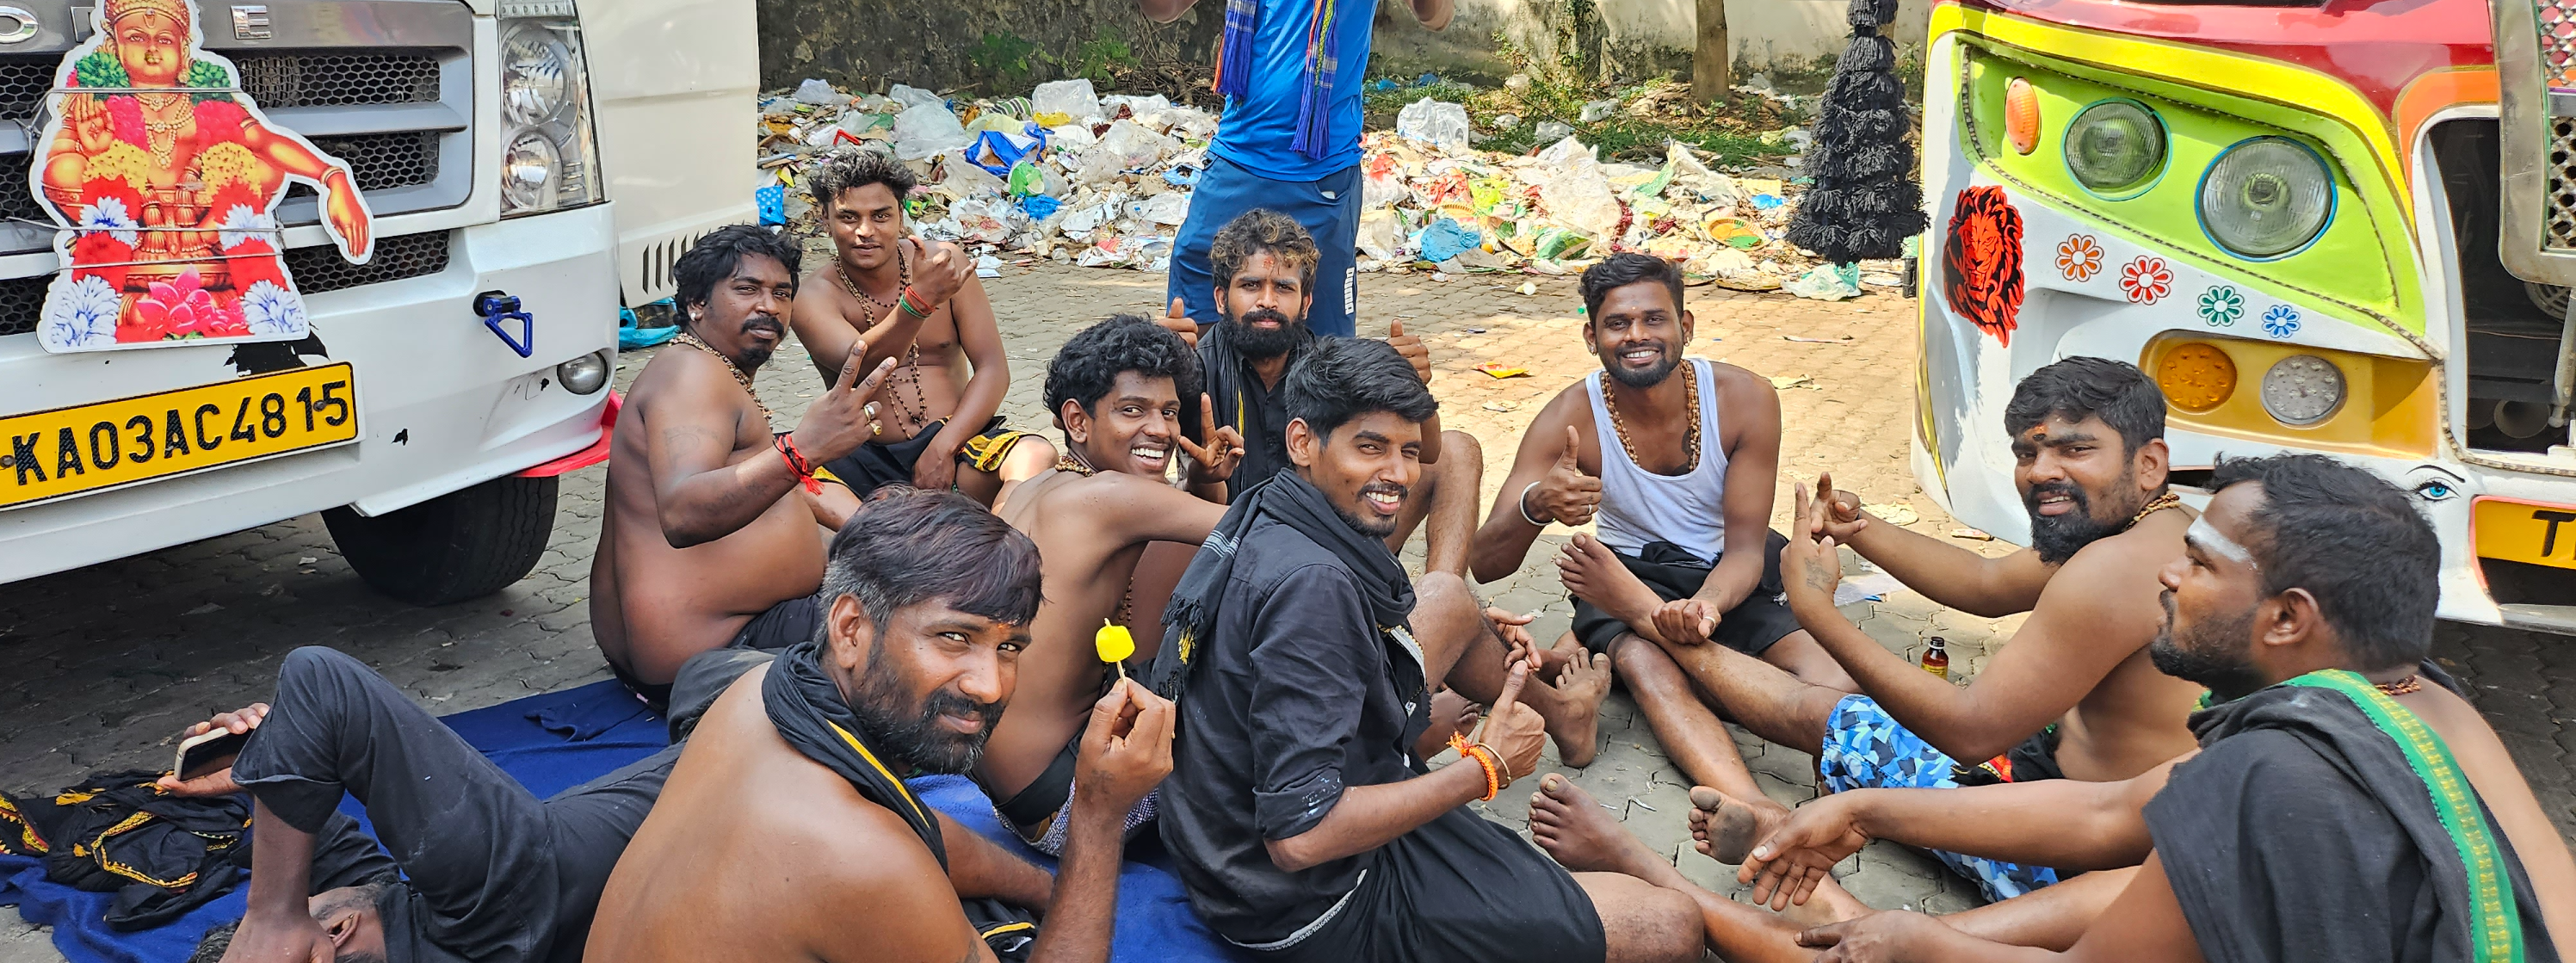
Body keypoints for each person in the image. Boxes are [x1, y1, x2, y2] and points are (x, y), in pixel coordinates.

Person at [1770, 454, 2576, 962]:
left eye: (2198, 565)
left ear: (2286, 618)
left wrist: (1924, 943)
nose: (2167, 575)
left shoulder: (2282, 767)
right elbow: (2109, 812)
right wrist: (1866, 810)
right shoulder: (2422, 701)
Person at [1150, 337, 1696, 963]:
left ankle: (1564, 719)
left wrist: (1457, 635)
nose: (1400, 475)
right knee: (1668, 925)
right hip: (1310, 902)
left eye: (1408, 451)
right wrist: (1484, 766)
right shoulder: (1312, 587)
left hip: (1223, 850)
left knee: (1449, 599)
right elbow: (1300, 837)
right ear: (1302, 441)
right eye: (1369, 447)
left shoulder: (1268, 506)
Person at [1670, 357, 2207, 904]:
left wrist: (1816, 612)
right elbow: (1986, 583)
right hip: (2063, 788)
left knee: (1840, 718)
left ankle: (1665, 637)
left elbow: (1969, 734)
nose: (2041, 471)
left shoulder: (2115, 568)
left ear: (2149, 463)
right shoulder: (2158, 525)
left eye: (2075, 449)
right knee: (1865, 717)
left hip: (2072, 859)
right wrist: (1857, 528)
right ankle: (1665, 634)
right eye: (2028, 452)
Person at [587, 490, 1171, 963]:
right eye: (954, 637)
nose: (989, 686)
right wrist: (1097, 814)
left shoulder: (755, 692)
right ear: (849, 629)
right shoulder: (864, 861)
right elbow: (877, 853)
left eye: (1009, 647)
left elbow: (913, 826)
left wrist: (1048, 890)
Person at [1470, 251, 1859, 804]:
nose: (1637, 335)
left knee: (1837, 683)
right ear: (1591, 337)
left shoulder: (1745, 399)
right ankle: (1754, 809)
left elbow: (1745, 551)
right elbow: (1486, 564)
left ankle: (1594, 656)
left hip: (1728, 573)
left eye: (1654, 318)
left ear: (1686, 326)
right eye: (1617, 323)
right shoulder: (1569, 419)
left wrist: (1703, 610)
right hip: (1625, 577)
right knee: (1650, 668)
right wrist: (1537, 505)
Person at [590, 225, 967, 706]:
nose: (769, 306)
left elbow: (779, 481)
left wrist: (879, 524)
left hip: (718, 638)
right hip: (714, 657)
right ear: (697, 304)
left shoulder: (711, 370)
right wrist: (803, 449)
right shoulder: (691, 375)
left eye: (782, 293)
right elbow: (684, 513)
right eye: (747, 289)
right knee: (943, 629)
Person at [171, 646, 680, 963]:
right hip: (724, 739)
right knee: (706, 672)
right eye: (311, 898)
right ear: (338, 930)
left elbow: (348, 865)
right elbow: (322, 684)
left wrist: (262, 774)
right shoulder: (489, 900)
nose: (312, 885)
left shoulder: (439, 942)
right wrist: (272, 913)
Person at [978, 315, 1242, 853]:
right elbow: (1268, 537)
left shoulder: (1035, 486)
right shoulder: (1114, 497)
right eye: (1133, 410)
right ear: (1077, 420)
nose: (1162, 430)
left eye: (1170, 412)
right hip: (1070, 806)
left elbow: (1201, 545)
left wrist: (1201, 480)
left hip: (1016, 799)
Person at [1177, 208, 1487, 578]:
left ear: (1306, 303)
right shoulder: (1194, 367)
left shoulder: (1330, 364)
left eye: (1284, 288)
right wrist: (1156, 372)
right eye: (1251, 286)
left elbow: (1430, 454)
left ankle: (1438, 593)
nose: (1267, 301)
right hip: (1228, 546)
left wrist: (1411, 383)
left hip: (1332, 539)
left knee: (1458, 450)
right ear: (1220, 299)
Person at [1138, 0, 1453, 339]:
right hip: (1236, 163)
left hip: (1322, 181)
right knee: (1192, 326)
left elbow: (1437, 17)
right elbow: (1164, 9)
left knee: (1324, 351)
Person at [788, 148, 1055, 505]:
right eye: (848, 217)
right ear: (826, 220)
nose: (865, 231)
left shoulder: (945, 263)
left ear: (901, 215)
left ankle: (999, 536)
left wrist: (943, 448)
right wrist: (918, 303)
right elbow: (864, 366)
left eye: (881, 216)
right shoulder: (813, 295)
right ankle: (872, 529)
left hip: (958, 444)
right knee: (787, 478)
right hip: (862, 459)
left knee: (1036, 456)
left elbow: (993, 369)